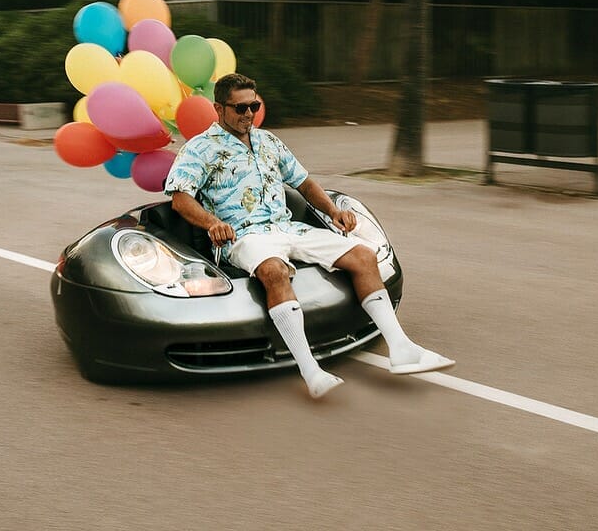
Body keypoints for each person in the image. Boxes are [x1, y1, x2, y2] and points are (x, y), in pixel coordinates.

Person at [164, 73, 454, 399]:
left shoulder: (269, 141)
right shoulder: (200, 148)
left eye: (254, 106)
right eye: (240, 108)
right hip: (245, 235)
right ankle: (310, 369)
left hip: (289, 227)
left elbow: (303, 183)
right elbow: (180, 198)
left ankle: (402, 350)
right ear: (219, 108)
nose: (249, 114)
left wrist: (333, 212)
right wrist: (211, 223)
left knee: (363, 255)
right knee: (273, 271)